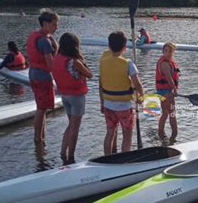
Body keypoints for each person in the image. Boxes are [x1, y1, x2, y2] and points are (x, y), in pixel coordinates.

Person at [99, 31, 144, 155]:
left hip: (108, 104)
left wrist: (102, 102)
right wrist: (141, 97)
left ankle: (107, 158)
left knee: (110, 132)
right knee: (127, 135)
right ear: (125, 48)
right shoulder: (128, 63)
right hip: (124, 107)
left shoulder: (103, 61)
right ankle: (124, 159)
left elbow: (101, 83)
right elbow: (138, 84)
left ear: (109, 46)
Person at [52, 33, 92, 164]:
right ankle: (71, 157)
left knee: (70, 125)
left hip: (65, 96)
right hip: (76, 97)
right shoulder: (75, 62)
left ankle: (63, 153)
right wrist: (83, 62)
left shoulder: (57, 58)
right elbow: (90, 74)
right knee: (75, 128)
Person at [26, 9, 59, 148]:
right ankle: (38, 139)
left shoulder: (35, 35)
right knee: (41, 109)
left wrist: (53, 42)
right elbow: (51, 64)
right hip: (42, 76)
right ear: (45, 24)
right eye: (53, 25)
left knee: (42, 108)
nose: (56, 28)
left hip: (33, 73)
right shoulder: (45, 41)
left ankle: (41, 138)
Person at [156, 42, 180, 139]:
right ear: (163, 52)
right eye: (166, 51)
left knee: (165, 113)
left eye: (170, 51)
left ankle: (161, 133)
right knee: (172, 113)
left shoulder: (168, 63)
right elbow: (169, 79)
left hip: (163, 91)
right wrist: (174, 90)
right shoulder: (165, 64)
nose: (168, 53)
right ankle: (174, 135)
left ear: (173, 52)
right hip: (166, 92)